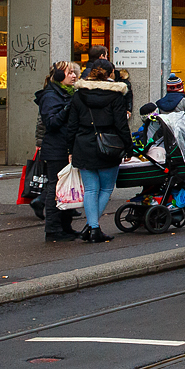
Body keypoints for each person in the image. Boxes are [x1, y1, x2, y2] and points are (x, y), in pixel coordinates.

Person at [66, 60, 133, 242]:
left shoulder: (79, 95)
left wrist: (69, 148)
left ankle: (93, 227)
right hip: (109, 146)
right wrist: (129, 147)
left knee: (90, 190)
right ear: (110, 74)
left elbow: (71, 125)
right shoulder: (117, 96)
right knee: (106, 188)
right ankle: (93, 227)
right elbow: (121, 125)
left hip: (83, 144)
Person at [37, 62, 81, 241]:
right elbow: (52, 122)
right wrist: (68, 108)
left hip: (66, 147)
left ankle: (66, 226)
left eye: (74, 73)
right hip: (56, 149)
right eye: (70, 73)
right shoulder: (50, 95)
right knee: (55, 189)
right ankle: (53, 230)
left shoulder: (66, 93)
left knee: (67, 188)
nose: (74, 76)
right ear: (59, 75)